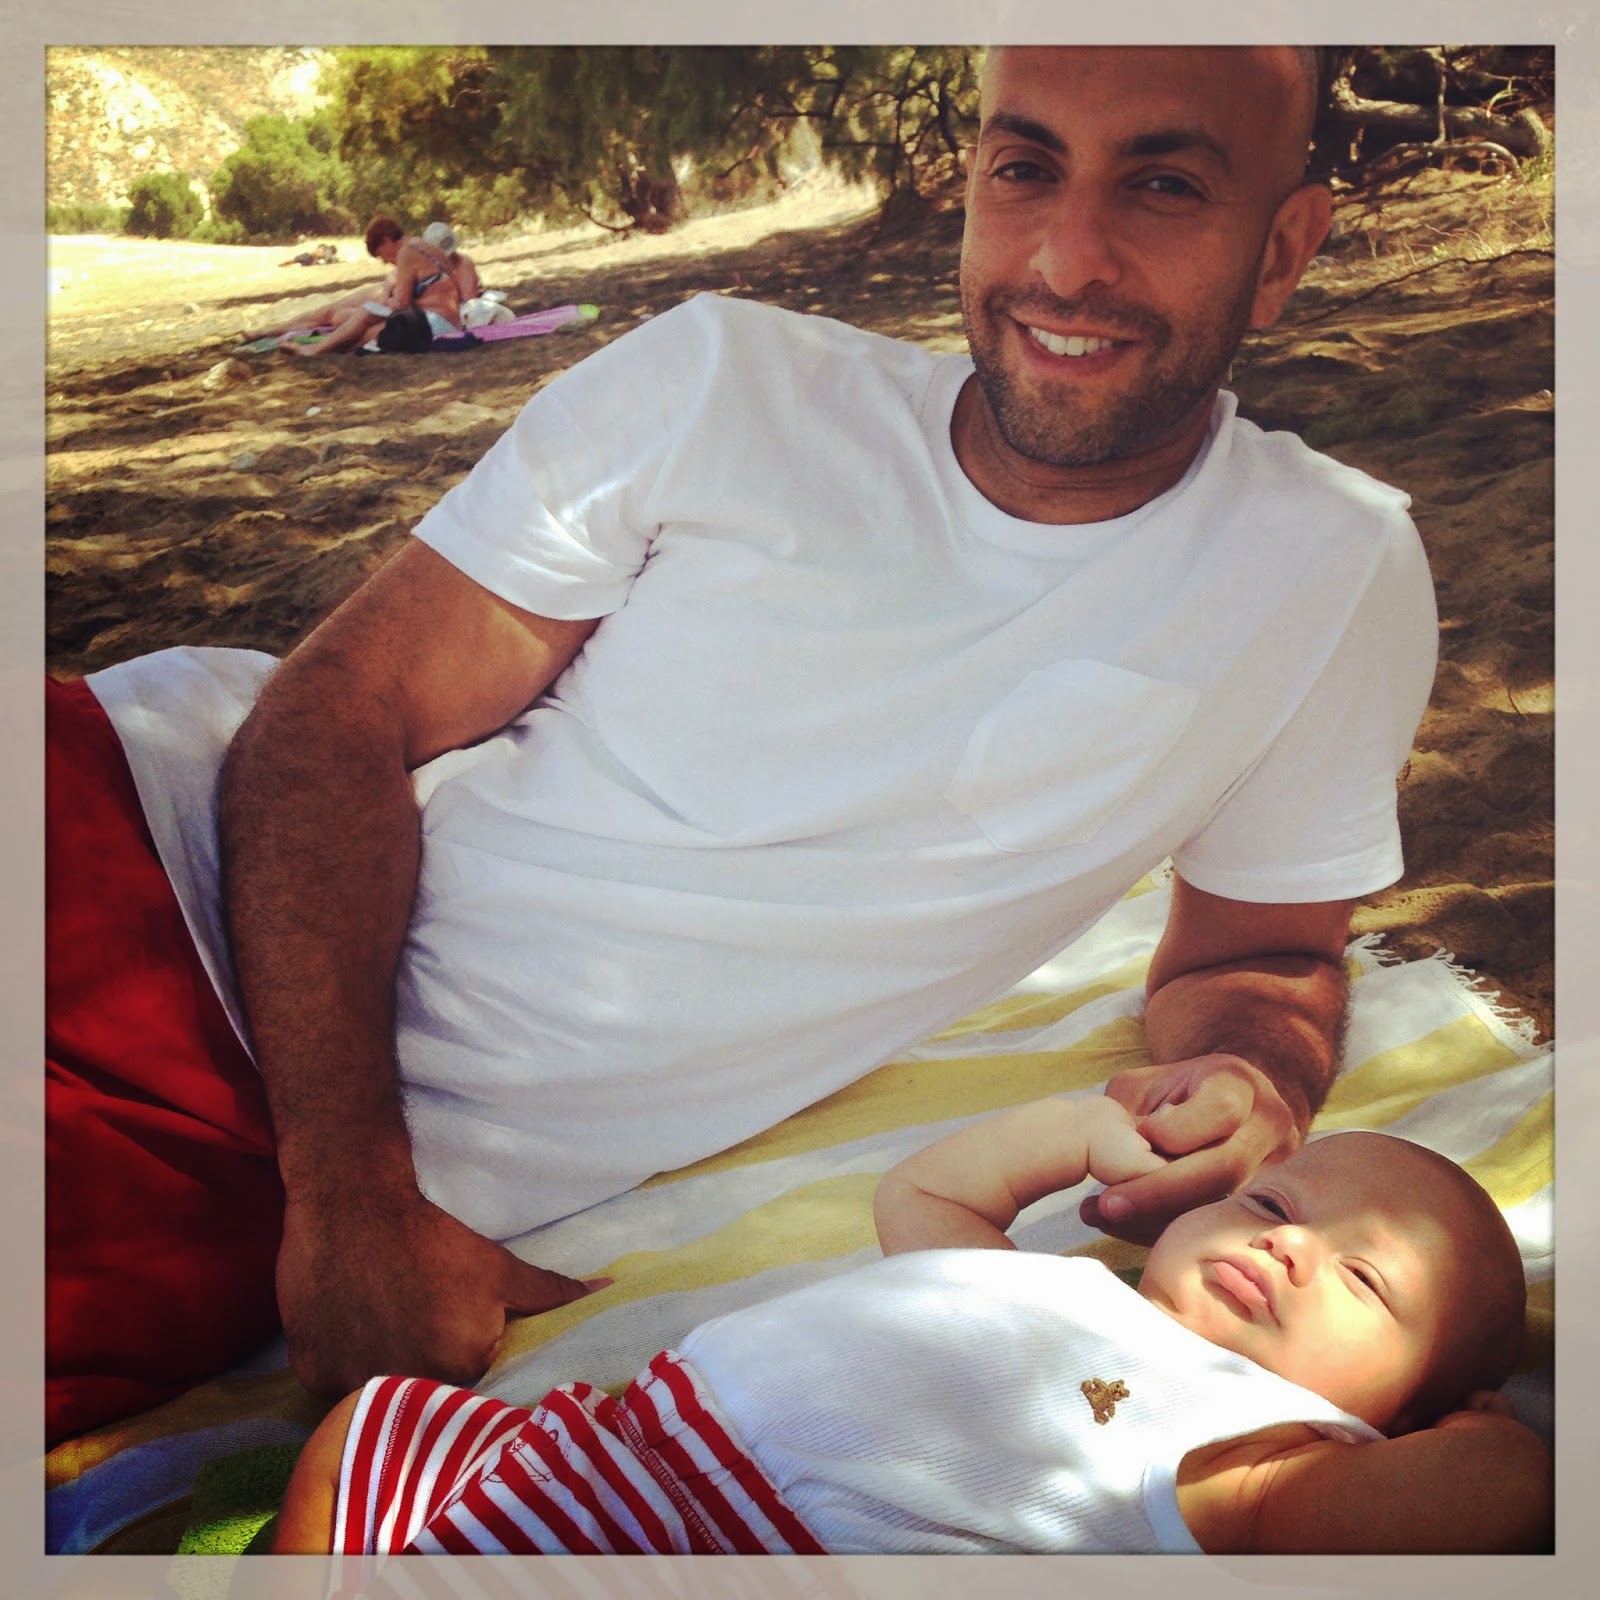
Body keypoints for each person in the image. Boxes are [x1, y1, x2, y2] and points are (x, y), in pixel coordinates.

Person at [46, 46, 1441, 1444]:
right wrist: (347, 1190)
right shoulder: (722, 382)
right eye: (1025, 169)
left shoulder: (1325, 569)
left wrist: (1254, 1079)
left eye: (1165, 186)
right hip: (143, 859)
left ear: (1281, 250)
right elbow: (334, 709)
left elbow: (1262, 956)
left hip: (226, 1166)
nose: (1066, 259)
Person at [268, 1114, 1551, 1555]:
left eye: (1365, 1280)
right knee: (373, 1429)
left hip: (753, 1552)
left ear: (1390, 1418)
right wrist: (1079, 1131)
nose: (1288, 1246)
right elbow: (924, 1196)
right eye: (1272, 1203)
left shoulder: (1259, 1460)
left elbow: (1499, 1493)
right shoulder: (1055, 1287)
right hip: (581, 1458)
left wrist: (1482, 1443)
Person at [284, 214, 464, 358]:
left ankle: (314, 349)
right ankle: (318, 346)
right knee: (355, 321)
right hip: (446, 320)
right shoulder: (421, 244)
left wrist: (382, 304)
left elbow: (402, 303)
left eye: (381, 255)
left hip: (434, 323)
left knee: (362, 325)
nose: (384, 261)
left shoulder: (406, 253)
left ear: (386, 241)